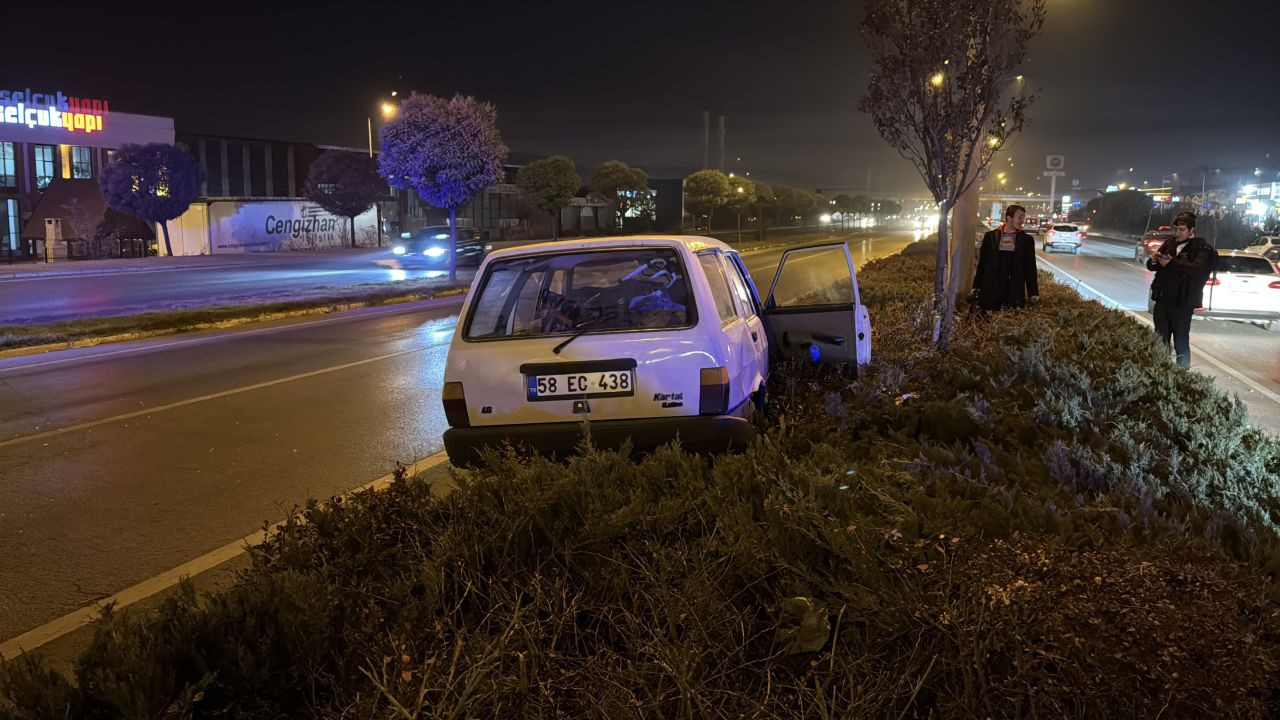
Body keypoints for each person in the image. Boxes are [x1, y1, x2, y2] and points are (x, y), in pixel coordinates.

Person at [1146, 211, 1216, 367]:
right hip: (1163, 300)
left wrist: (1170, 263)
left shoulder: (1202, 247)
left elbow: (1197, 269)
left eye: (1182, 229)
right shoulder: (1169, 243)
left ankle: (1182, 378)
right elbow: (1153, 265)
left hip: (1182, 302)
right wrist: (1153, 261)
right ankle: (1160, 373)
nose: (1177, 233)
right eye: (1176, 229)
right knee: (1160, 339)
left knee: (1180, 341)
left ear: (1191, 230)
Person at [973, 204, 1039, 310]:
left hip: (1013, 289)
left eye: (1023, 217)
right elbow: (983, 263)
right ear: (1009, 218)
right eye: (1019, 217)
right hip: (990, 288)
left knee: (1010, 319)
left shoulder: (1026, 240)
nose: (1022, 220)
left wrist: (1033, 292)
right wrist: (976, 285)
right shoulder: (990, 236)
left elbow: (1030, 267)